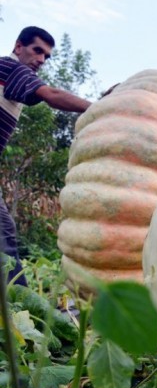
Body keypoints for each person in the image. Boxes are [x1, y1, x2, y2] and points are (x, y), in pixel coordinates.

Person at [0, 26, 92, 285]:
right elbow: (51, 95)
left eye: (46, 56)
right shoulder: (11, 67)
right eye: (37, 51)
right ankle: (19, 306)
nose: (41, 60)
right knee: (3, 239)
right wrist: (101, 108)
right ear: (19, 47)